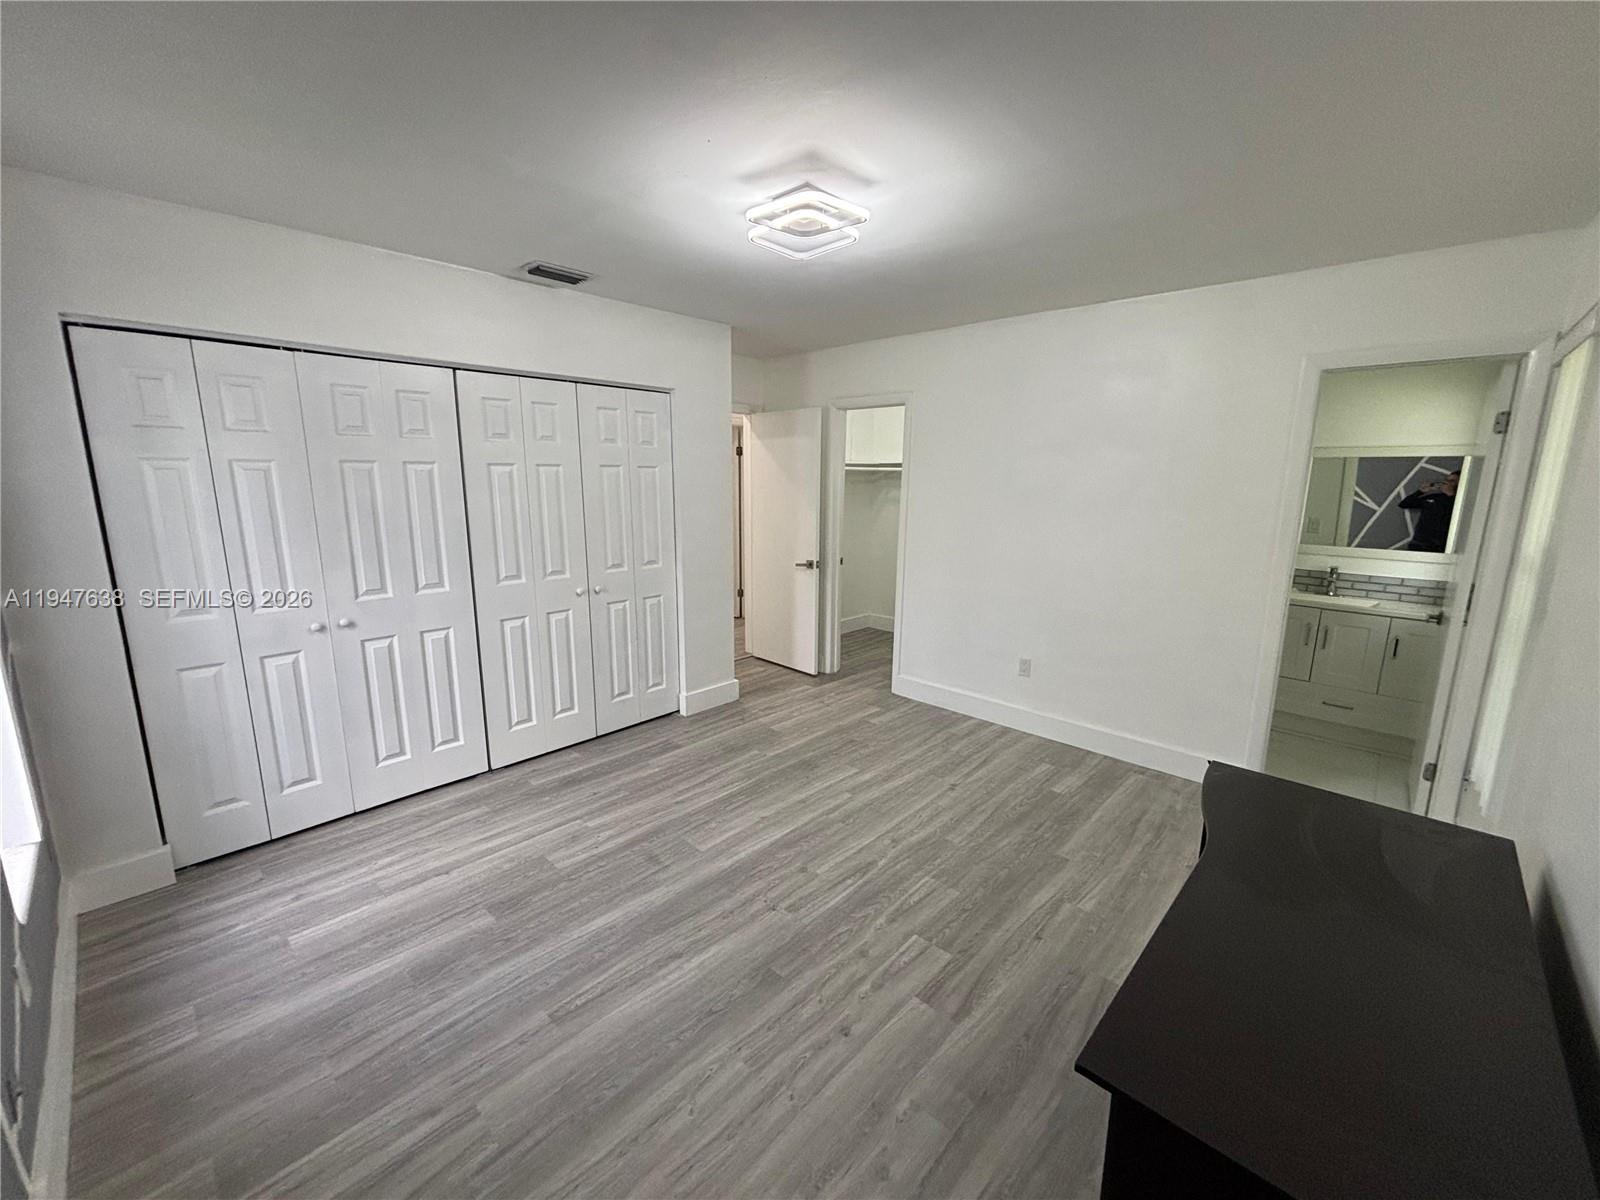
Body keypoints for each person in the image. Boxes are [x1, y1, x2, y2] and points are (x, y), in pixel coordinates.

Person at [1398, 470, 1459, 552]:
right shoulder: (1434, 497)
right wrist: (1420, 492)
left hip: (1438, 547)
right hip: (1418, 543)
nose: (1446, 483)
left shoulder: (1459, 501)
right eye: (1446, 480)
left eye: (1452, 481)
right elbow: (1404, 504)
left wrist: (1450, 494)